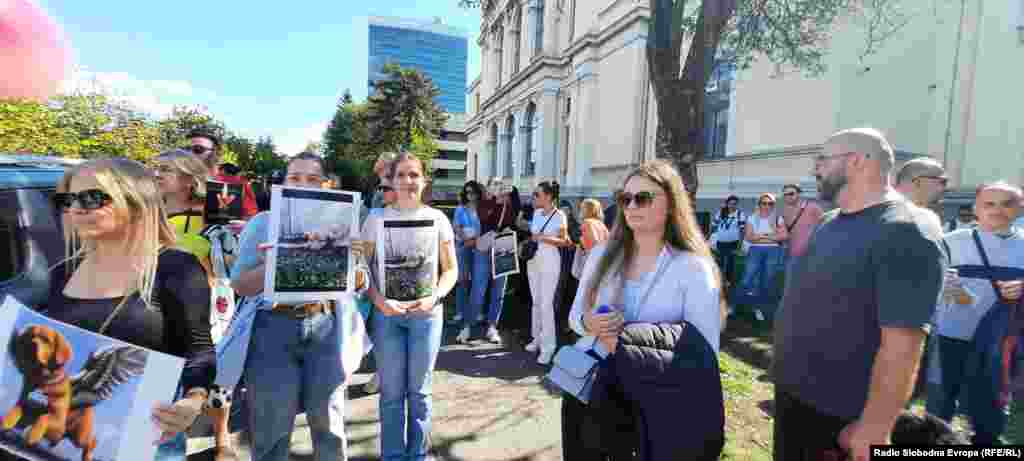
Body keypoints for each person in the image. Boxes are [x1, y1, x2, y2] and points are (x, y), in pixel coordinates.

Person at [773, 128, 945, 461]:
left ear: (856, 161)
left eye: (822, 159)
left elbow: (904, 345)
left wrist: (875, 428)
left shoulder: (907, 231)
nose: (815, 169)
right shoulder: (828, 222)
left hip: (845, 418)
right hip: (796, 400)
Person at [42, 157, 215, 460]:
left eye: (93, 197)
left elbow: (199, 350)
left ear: (135, 202)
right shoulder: (63, 270)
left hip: (146, 436)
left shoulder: (175, 268)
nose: (77, 208)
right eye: (68, 199)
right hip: (64, 435)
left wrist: (193, 401)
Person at [563, 159, 726, 460]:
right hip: (591, 389)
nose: (632, 206)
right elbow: (574, 318)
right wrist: (589, 323)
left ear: (671, 204)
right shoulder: (601, 255)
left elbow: (703, 357)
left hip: (654, 406)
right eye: (626, 199)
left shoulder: (693, 268)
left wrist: (630, 343)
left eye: (644, 198)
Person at [222, 152, 353, 461]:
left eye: (312, 179)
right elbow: (240, 284)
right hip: (272, 329)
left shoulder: (342, 222)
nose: (303, 184)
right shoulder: (263, 222)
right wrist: (273, 260)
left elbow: (355, 283)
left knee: (330, 425)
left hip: (325, 325)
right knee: (271, 430)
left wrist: (356, 264)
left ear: (326, 185)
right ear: (283, 183)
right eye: (295, 178)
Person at [361, 152, 458, 461]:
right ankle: (392, 456)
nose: (408, 181)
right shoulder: (376, 219)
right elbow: (361, 269)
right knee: (391, 394)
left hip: (426, 317)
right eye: (401, 175)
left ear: (424, 180)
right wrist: (379, 301)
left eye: (414, 174)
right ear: (392, 180)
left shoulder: (439, 219)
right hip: (387, 316)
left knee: (420, 394)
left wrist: (435, 296)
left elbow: (451, 269)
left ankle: (417, 455)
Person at [151, 149, 237, 461]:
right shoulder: (147, 214)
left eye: (166, 169)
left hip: (209, 309)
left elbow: (228, 268)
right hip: (163, 312)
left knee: (216, 377)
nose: (157, 174)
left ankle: (222, 436)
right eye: (155, 168)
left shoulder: (213, 217)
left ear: (189, 180)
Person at [927, 181, 1024, 445]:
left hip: (1002, 343)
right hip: (954, 334)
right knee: (942, 402)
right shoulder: (949, 242)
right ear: (975, 208)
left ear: (1020, 207)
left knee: (991, 406)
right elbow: (932, 288)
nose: (998, 210)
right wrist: (949, 290)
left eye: (1007, 203)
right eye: (989, 204)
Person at [524, 181, 571, 364]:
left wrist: (543, 238)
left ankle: (548, 347)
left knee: (546, 304)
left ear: (549, 196)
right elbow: (533, 235)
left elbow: (565, 241)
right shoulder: (536, 213)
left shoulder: (559, 216)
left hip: (550, 260)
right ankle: (536, 338)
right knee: (536, 302)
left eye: (538, 194)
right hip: (534, 259)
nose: (534, 197)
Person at [470, 178, 519, 343]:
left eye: (500, 185)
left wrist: (510, 197)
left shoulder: (508, 201)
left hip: (503, 245)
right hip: (484, 247)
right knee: (479, 287)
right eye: (494, 185)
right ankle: (468, 325)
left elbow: (513, 219)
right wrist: (495, 201)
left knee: (499, 289)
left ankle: (492, 326)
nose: (498, 189)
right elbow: (484, 217)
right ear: (488, 188)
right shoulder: (484, 202)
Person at [188, 127, 258, 220]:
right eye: (186, 149)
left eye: (198, 149)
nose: (189, 154)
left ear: (216, 153)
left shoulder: (237, 184)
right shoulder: (175, 180)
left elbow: (251, 219)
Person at [739, 192, 786, 319]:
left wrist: (760, 236)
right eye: (764, 203)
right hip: (755, 250)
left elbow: (783, 236)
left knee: (766, 281)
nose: (766, 206)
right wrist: (772, 237)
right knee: (747, 278)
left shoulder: (778, 218)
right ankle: (734, 305)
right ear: (759, 204)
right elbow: (749, 237)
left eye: (770, 203)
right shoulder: (752, 218)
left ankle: (758, 308)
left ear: (773, 205)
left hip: (773, 252)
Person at [454, 181, 484, 341]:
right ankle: (460, 311)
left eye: (472, 192)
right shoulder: (461, 208)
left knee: (477, 280)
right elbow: (456, 226)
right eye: (467, 192)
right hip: (463, 245)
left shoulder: (482, 208)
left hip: (479, 246)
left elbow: (485, 226)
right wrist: (466, 239)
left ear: (478, 193)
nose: (469, 195)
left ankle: (476, 311)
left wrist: (476, 240)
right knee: (463, 279)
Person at [779, 184, 824, 278]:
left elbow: (825, 225)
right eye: (785, 194)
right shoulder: (784, 211)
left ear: (799, 194)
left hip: (812, 252)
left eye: (791, 193)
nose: (788, 196)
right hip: (792, 253)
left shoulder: (813, 207)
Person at [893, 156, 947, 222]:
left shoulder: (882, 211)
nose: (943, 188)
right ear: (918, 182)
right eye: (942, 182)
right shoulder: (926, 219)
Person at [709, 195, 745, 288]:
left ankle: (728, 281)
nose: (732, 206)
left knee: (730, 262)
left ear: (737, 205)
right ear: (727, 204)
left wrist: (740, 244)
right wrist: (707, 238)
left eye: (734, 204)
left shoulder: (740, 214)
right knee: (719, 262)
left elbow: (742, 230)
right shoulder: (720, 213)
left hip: (733, 242)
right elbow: (713, 227)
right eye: (730, 203)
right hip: (720, 242)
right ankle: (719, 280)